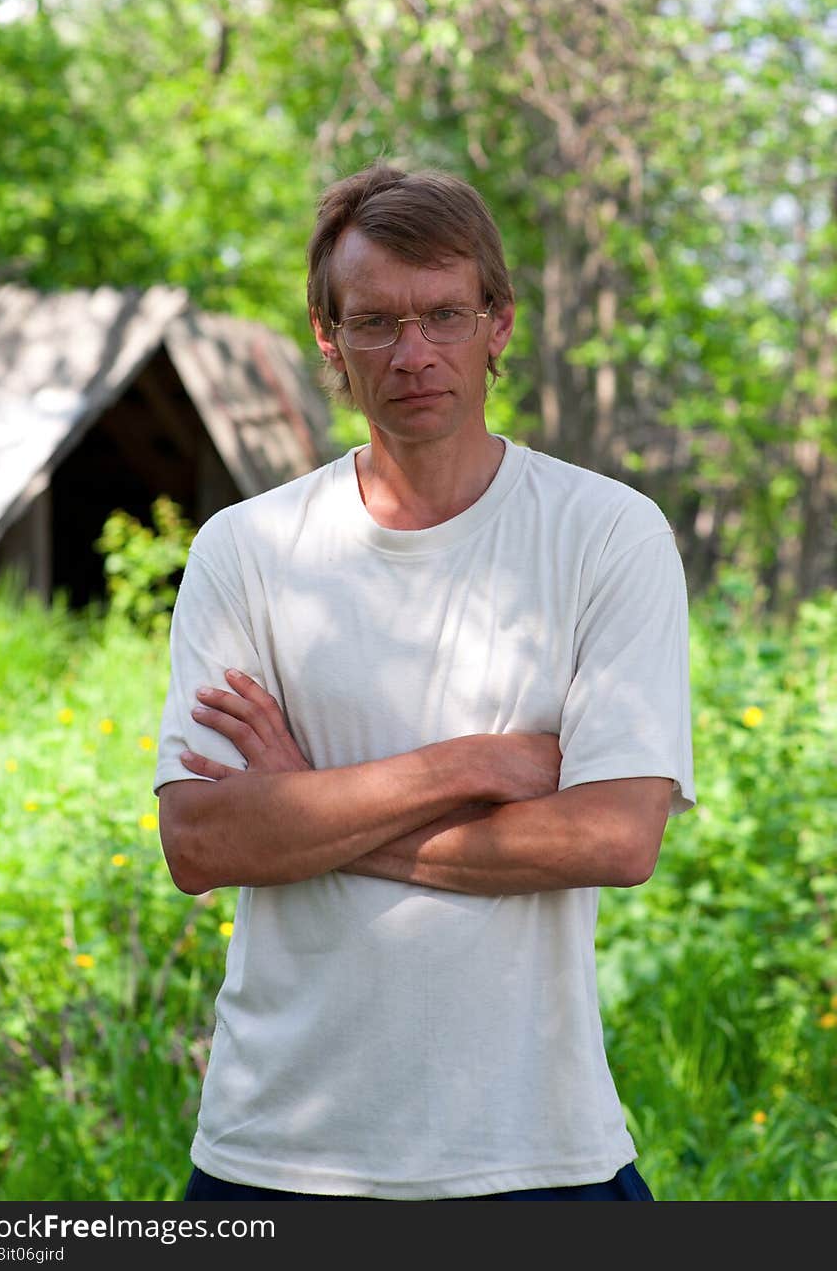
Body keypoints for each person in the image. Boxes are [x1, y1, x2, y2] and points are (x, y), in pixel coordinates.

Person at [153, 161, 695, 1202]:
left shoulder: (604, 535)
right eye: (375, 322)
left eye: (444, 313)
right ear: (327, 335)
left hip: (534, 1146)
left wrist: (304, 808)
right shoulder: (249, 549)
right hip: (277, 1151)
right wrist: (478, 763)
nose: (413, 354)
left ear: (496, 322)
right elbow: (204, 841)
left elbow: (615, 838)